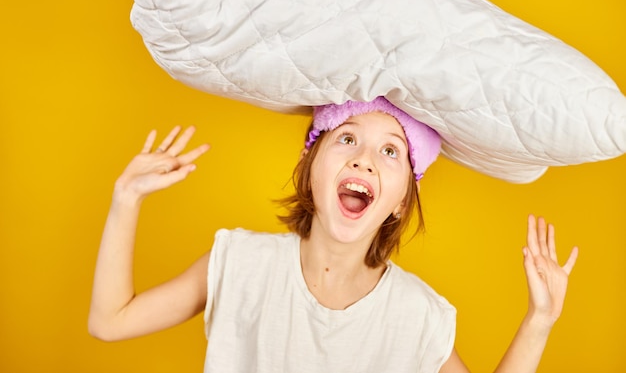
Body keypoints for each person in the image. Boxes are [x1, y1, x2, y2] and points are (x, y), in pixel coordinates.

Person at [88, 97, 578, 373]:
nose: (364, 158)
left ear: (402, 200)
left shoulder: (415, 315)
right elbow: (110, 321)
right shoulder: (239, 263)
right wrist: (124, 201)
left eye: (391, 152)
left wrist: (540, 320)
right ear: (310, 165)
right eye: (347, 138)